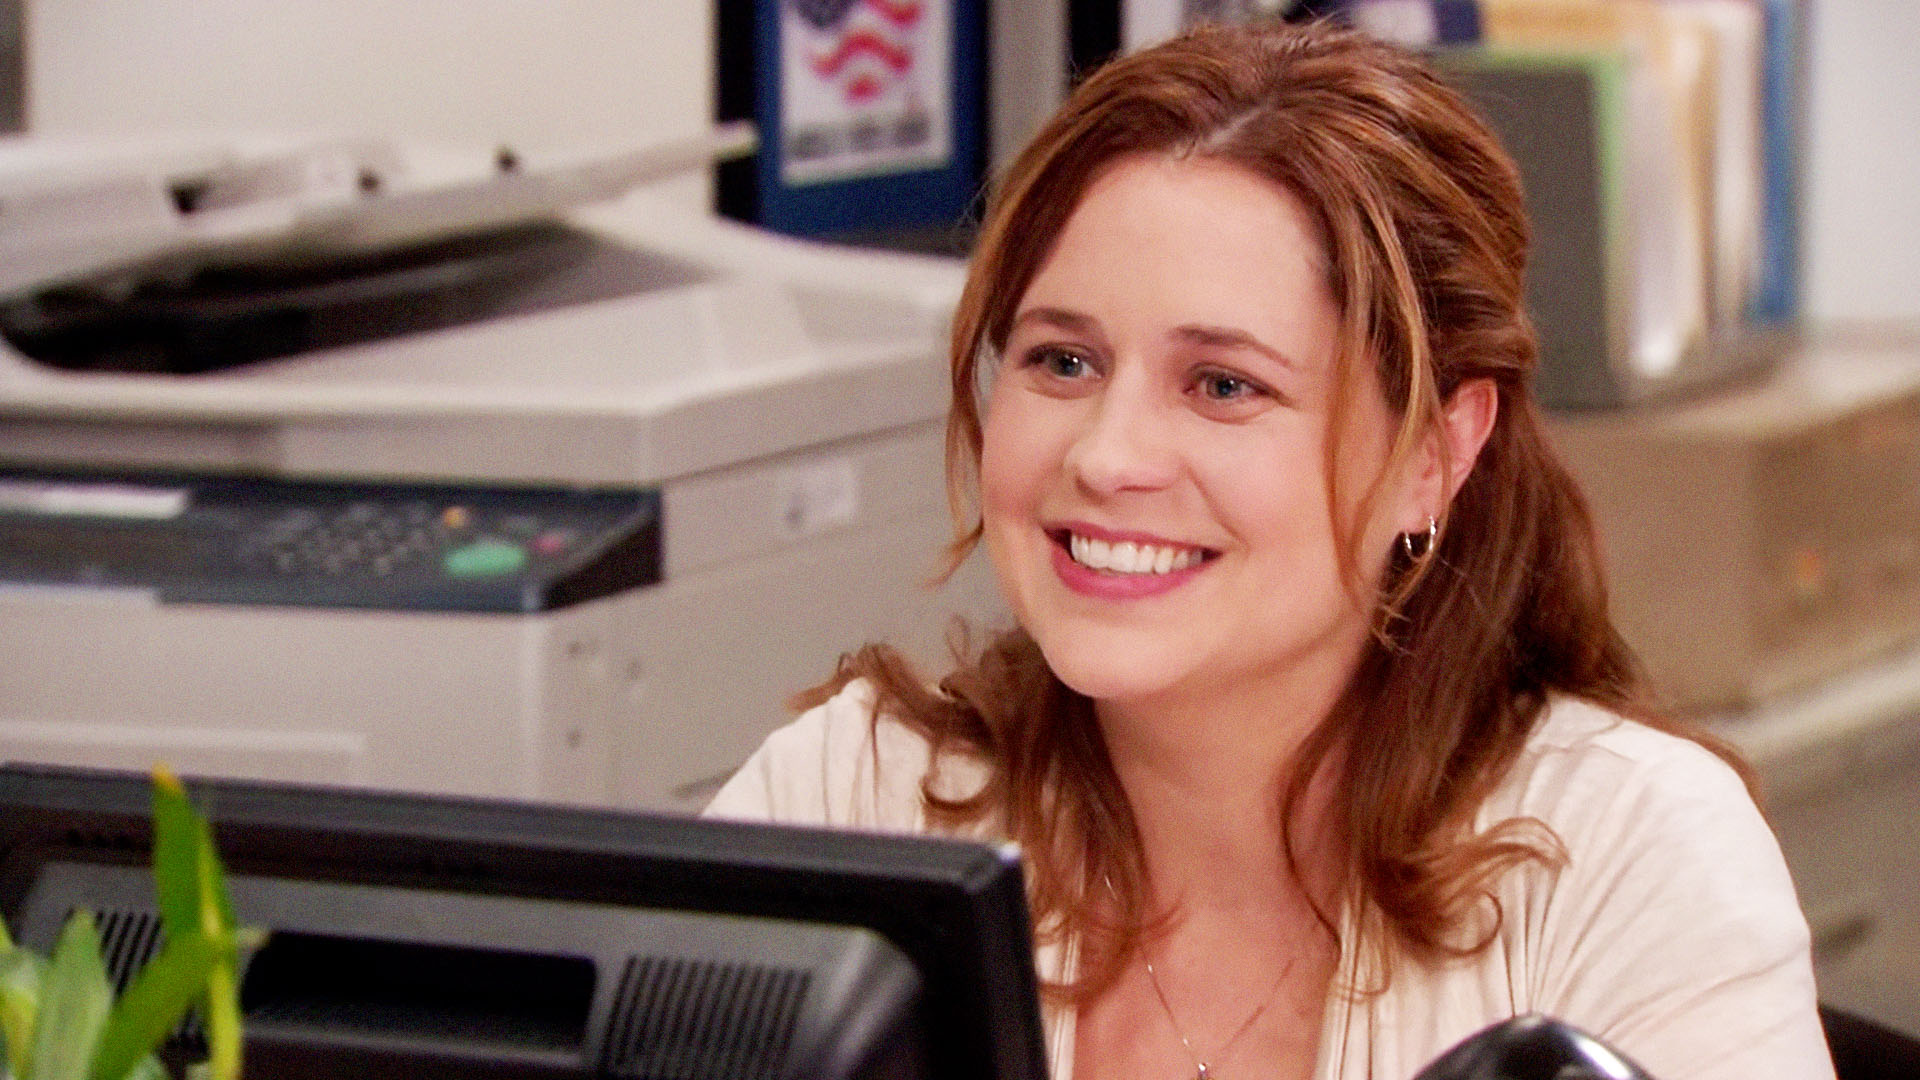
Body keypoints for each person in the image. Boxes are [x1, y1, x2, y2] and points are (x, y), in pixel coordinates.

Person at [707, 19, 1833, 1080]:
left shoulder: (1629, 858)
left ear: (1434, 452)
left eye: (1223, 385)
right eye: (1063, 361)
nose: (1107, 456)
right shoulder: (855, 799)